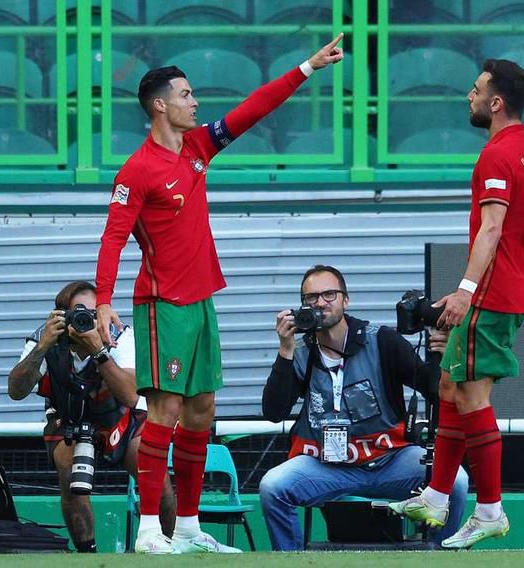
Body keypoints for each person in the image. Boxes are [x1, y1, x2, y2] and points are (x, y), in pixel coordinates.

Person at [93, 35, 345, 554]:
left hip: (203, 301)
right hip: (164, 307)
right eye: (186, 95)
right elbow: (113, 237)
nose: (195, 102)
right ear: (160, 104)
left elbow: (252, 109)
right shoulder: (137, 170)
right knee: (162, 412)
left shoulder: (198, 147)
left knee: (202, 411)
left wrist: (307, 66)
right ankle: (148, 532)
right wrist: (102, 300)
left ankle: (186, 527)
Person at [388, 59, 524, 548]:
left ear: (496, 102)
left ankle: (489, 509)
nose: (468, 96)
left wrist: (465, 292)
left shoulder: (496, 156)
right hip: (509, 289)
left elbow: (490, 229)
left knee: (471, 396)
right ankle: (438, 495)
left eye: (475, 89)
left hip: (491, 294)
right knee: (449, 383)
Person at [258, 265, 469, 550]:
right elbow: (274, 412)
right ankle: (291, 559)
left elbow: (434, 394)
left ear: (346, 300)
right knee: (273, 486)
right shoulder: (302, 351)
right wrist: (285, 350)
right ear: (302, 306)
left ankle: (441, 556)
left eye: (329, 294)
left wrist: (442, 360)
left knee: (455, 481)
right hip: (326, 465)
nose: (321, 303)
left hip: (390, 460)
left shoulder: (381, 341)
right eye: (311, 298)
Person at [7, 281, 174, 553]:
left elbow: (131, 396)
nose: (89, 319)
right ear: (62, 316)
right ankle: (88, 554)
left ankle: (167, 544)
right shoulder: (44, 338)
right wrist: (41, 349)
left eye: (96, 312)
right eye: (80, 312)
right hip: (68, 419)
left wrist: (100, 351)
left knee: (152, 468)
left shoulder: (118, 334)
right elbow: (15, 391)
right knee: (68, 472)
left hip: (122, 417)